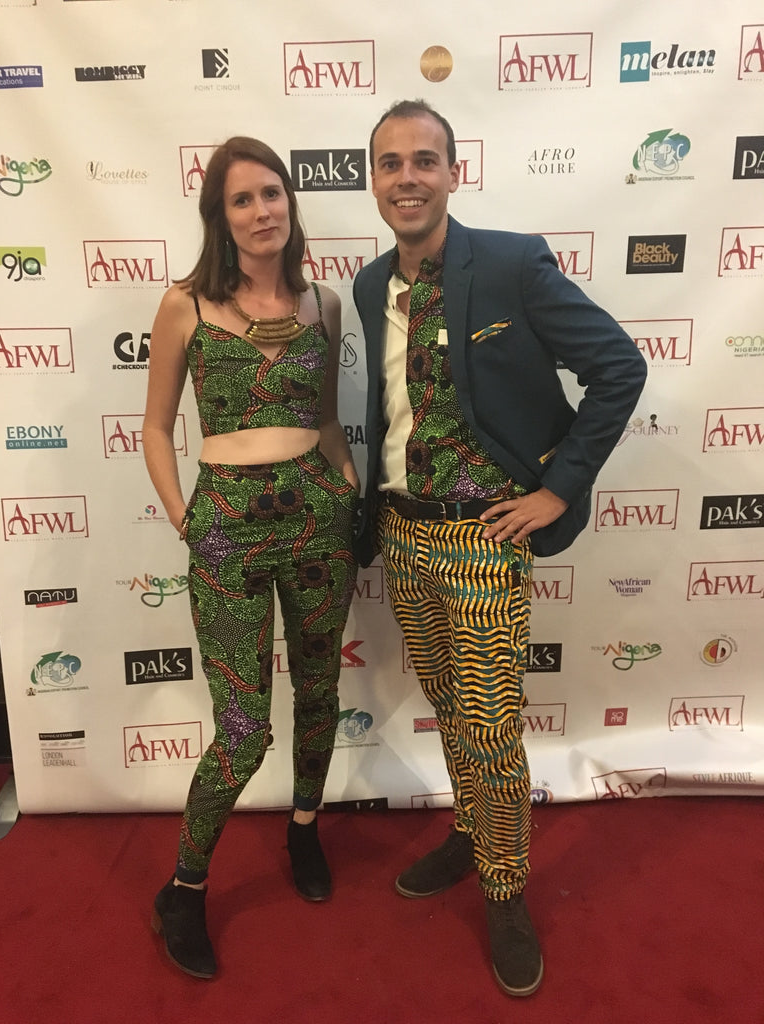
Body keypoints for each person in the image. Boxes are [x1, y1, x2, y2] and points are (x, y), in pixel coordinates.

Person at [352, 100, 647, 998]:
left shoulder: (514, 263)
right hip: (405, 532)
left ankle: (507, 888)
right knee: (450, 706)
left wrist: (559, 488)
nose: (407, 177)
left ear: (453, 172)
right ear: (372, 179)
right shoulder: (370, 285)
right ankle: (474, 834)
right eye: (391, 162)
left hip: (484, 540)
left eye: (424, 160)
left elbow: (619, 367)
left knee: (489, 725)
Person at [143, 136, 358, 979]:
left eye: (273, 193)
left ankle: (304, 829)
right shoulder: (184, 305)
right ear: (220, 216)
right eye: (242, 199)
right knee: (242, 730)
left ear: (289, 203)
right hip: (227, 526)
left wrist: (346, 491)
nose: (262, 210)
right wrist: (185, 519)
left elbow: (329, 420)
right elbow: (156, 427)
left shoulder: (323, 303)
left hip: (317, 517)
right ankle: (185, 888)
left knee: (320, 689)